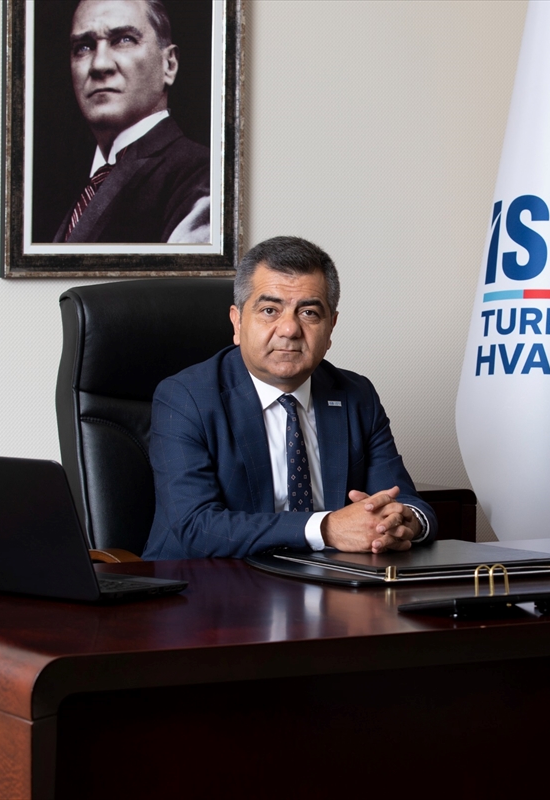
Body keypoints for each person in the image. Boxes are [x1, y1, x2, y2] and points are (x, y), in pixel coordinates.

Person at [143, 236, 437, 559]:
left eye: (308, 313)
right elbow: (195, 527)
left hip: (327, 581)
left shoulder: (356, 396)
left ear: (331, 327)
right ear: (237, 322)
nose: (289, 329)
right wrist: (325, 528)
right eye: (270, 310)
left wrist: (403, 522)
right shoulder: (185, 398)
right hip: (207, 582)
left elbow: (406, 501)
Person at [55, 0, 211, 244]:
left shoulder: (204, 177)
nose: (99, 64)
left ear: (169, 65)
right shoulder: (64, 188)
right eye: (83, 47)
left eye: (124, 40)